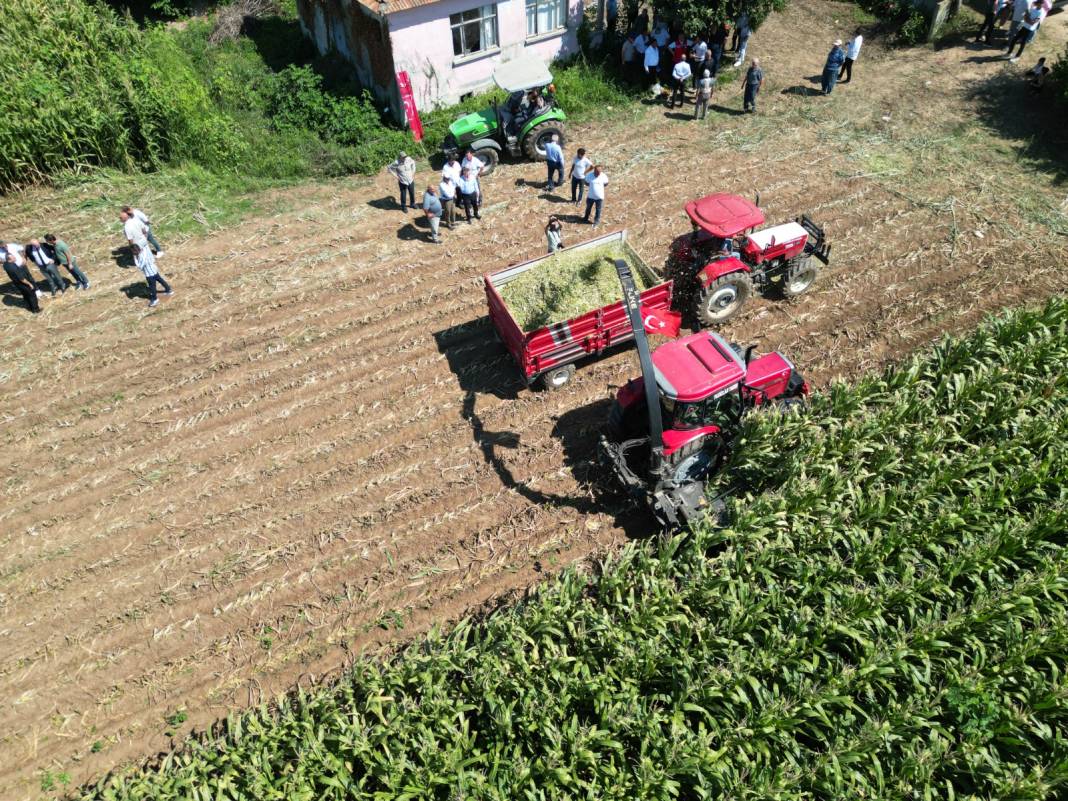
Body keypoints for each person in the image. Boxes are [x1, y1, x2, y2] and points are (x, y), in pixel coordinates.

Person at [132, 243, 172, 308]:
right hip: (154, 270)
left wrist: (135, 258)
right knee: (161, 280)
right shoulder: (145, 251)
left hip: (149, 274)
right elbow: (145, 246)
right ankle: (168, 290)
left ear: (135, 251)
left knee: (152, 287)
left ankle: (155, 299)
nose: (133, 253)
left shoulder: (141, 257)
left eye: (133, 251)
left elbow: (139, 266)